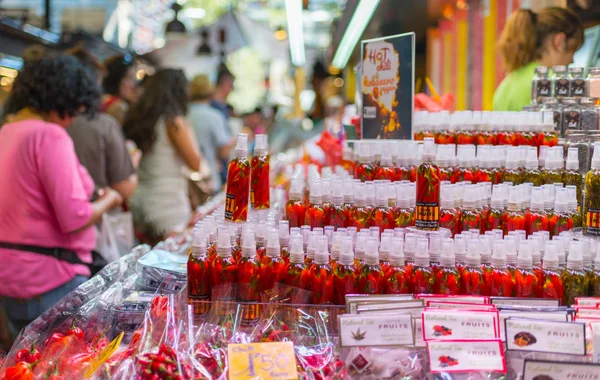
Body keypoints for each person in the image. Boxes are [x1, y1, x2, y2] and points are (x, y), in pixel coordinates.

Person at [0, 56, 123, 333]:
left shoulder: (6, 131)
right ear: (62, 98)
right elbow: (75, 217)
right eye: (74, 110)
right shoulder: (48, 136)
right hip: (51, 279)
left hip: (10, 279)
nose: (73, 120)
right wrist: (111, 199)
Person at [124, 69, 203, 243]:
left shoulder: (145, 120)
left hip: (140, 201)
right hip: (167, 205)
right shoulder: (174, 122)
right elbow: (195, 163)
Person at [66, 48, 138, 199]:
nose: (133, 85)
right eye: (129, 78)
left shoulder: (49, 120)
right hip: (98, 202)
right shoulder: (114, 111)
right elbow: (121, 182)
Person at [493, 7, 583, 111]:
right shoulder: (555, 85)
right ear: (560, 42)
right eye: (573, 50)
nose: (572, 61)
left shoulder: (505, 86)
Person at [189, 74, 233, 193]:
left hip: (186, 181)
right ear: (211, 92)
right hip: (208, 178)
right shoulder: (214, 116)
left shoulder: (182, 115)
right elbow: (224, 152)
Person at [102, 54, 138, 125]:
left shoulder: (99, 98)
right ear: (116, 78)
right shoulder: (119, 107)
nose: (133, 86)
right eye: (129, 78)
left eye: (134, 79)